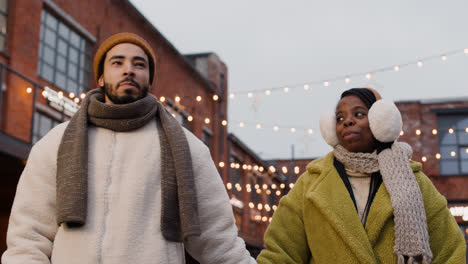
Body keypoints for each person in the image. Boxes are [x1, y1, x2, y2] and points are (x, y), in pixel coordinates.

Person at [2, 33, 255, 264]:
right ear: (100, 77)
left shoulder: (189, 148)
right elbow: (28, 238)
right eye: (117, 62)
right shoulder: (56, 142)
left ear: (150, 78)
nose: (129, 70)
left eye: (139, 64)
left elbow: (220, 244)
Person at [256, 88, 466, 263]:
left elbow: (450, 252)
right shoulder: (310, 183)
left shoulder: (415, 181)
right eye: (340, 118)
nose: (347, 122)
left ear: (380, 122)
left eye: (358, 114)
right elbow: (280, 254)